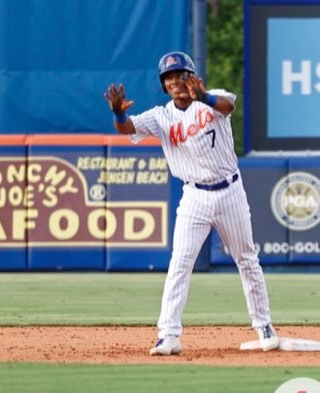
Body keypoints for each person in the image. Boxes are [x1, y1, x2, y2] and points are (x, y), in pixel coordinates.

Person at [104, 51, 279, 356]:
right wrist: (119, 113)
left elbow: (229, 104)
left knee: (247, 260)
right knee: (180, 265)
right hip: (194, 196)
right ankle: (168, 335)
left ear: (193, 77)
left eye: (181, 75)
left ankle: (263, 325)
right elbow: (126, 127)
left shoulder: (212, 102)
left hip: (230, 192)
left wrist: (205, 97)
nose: (176, 82)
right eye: (169, 78)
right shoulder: (161, 116)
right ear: (164, 85)